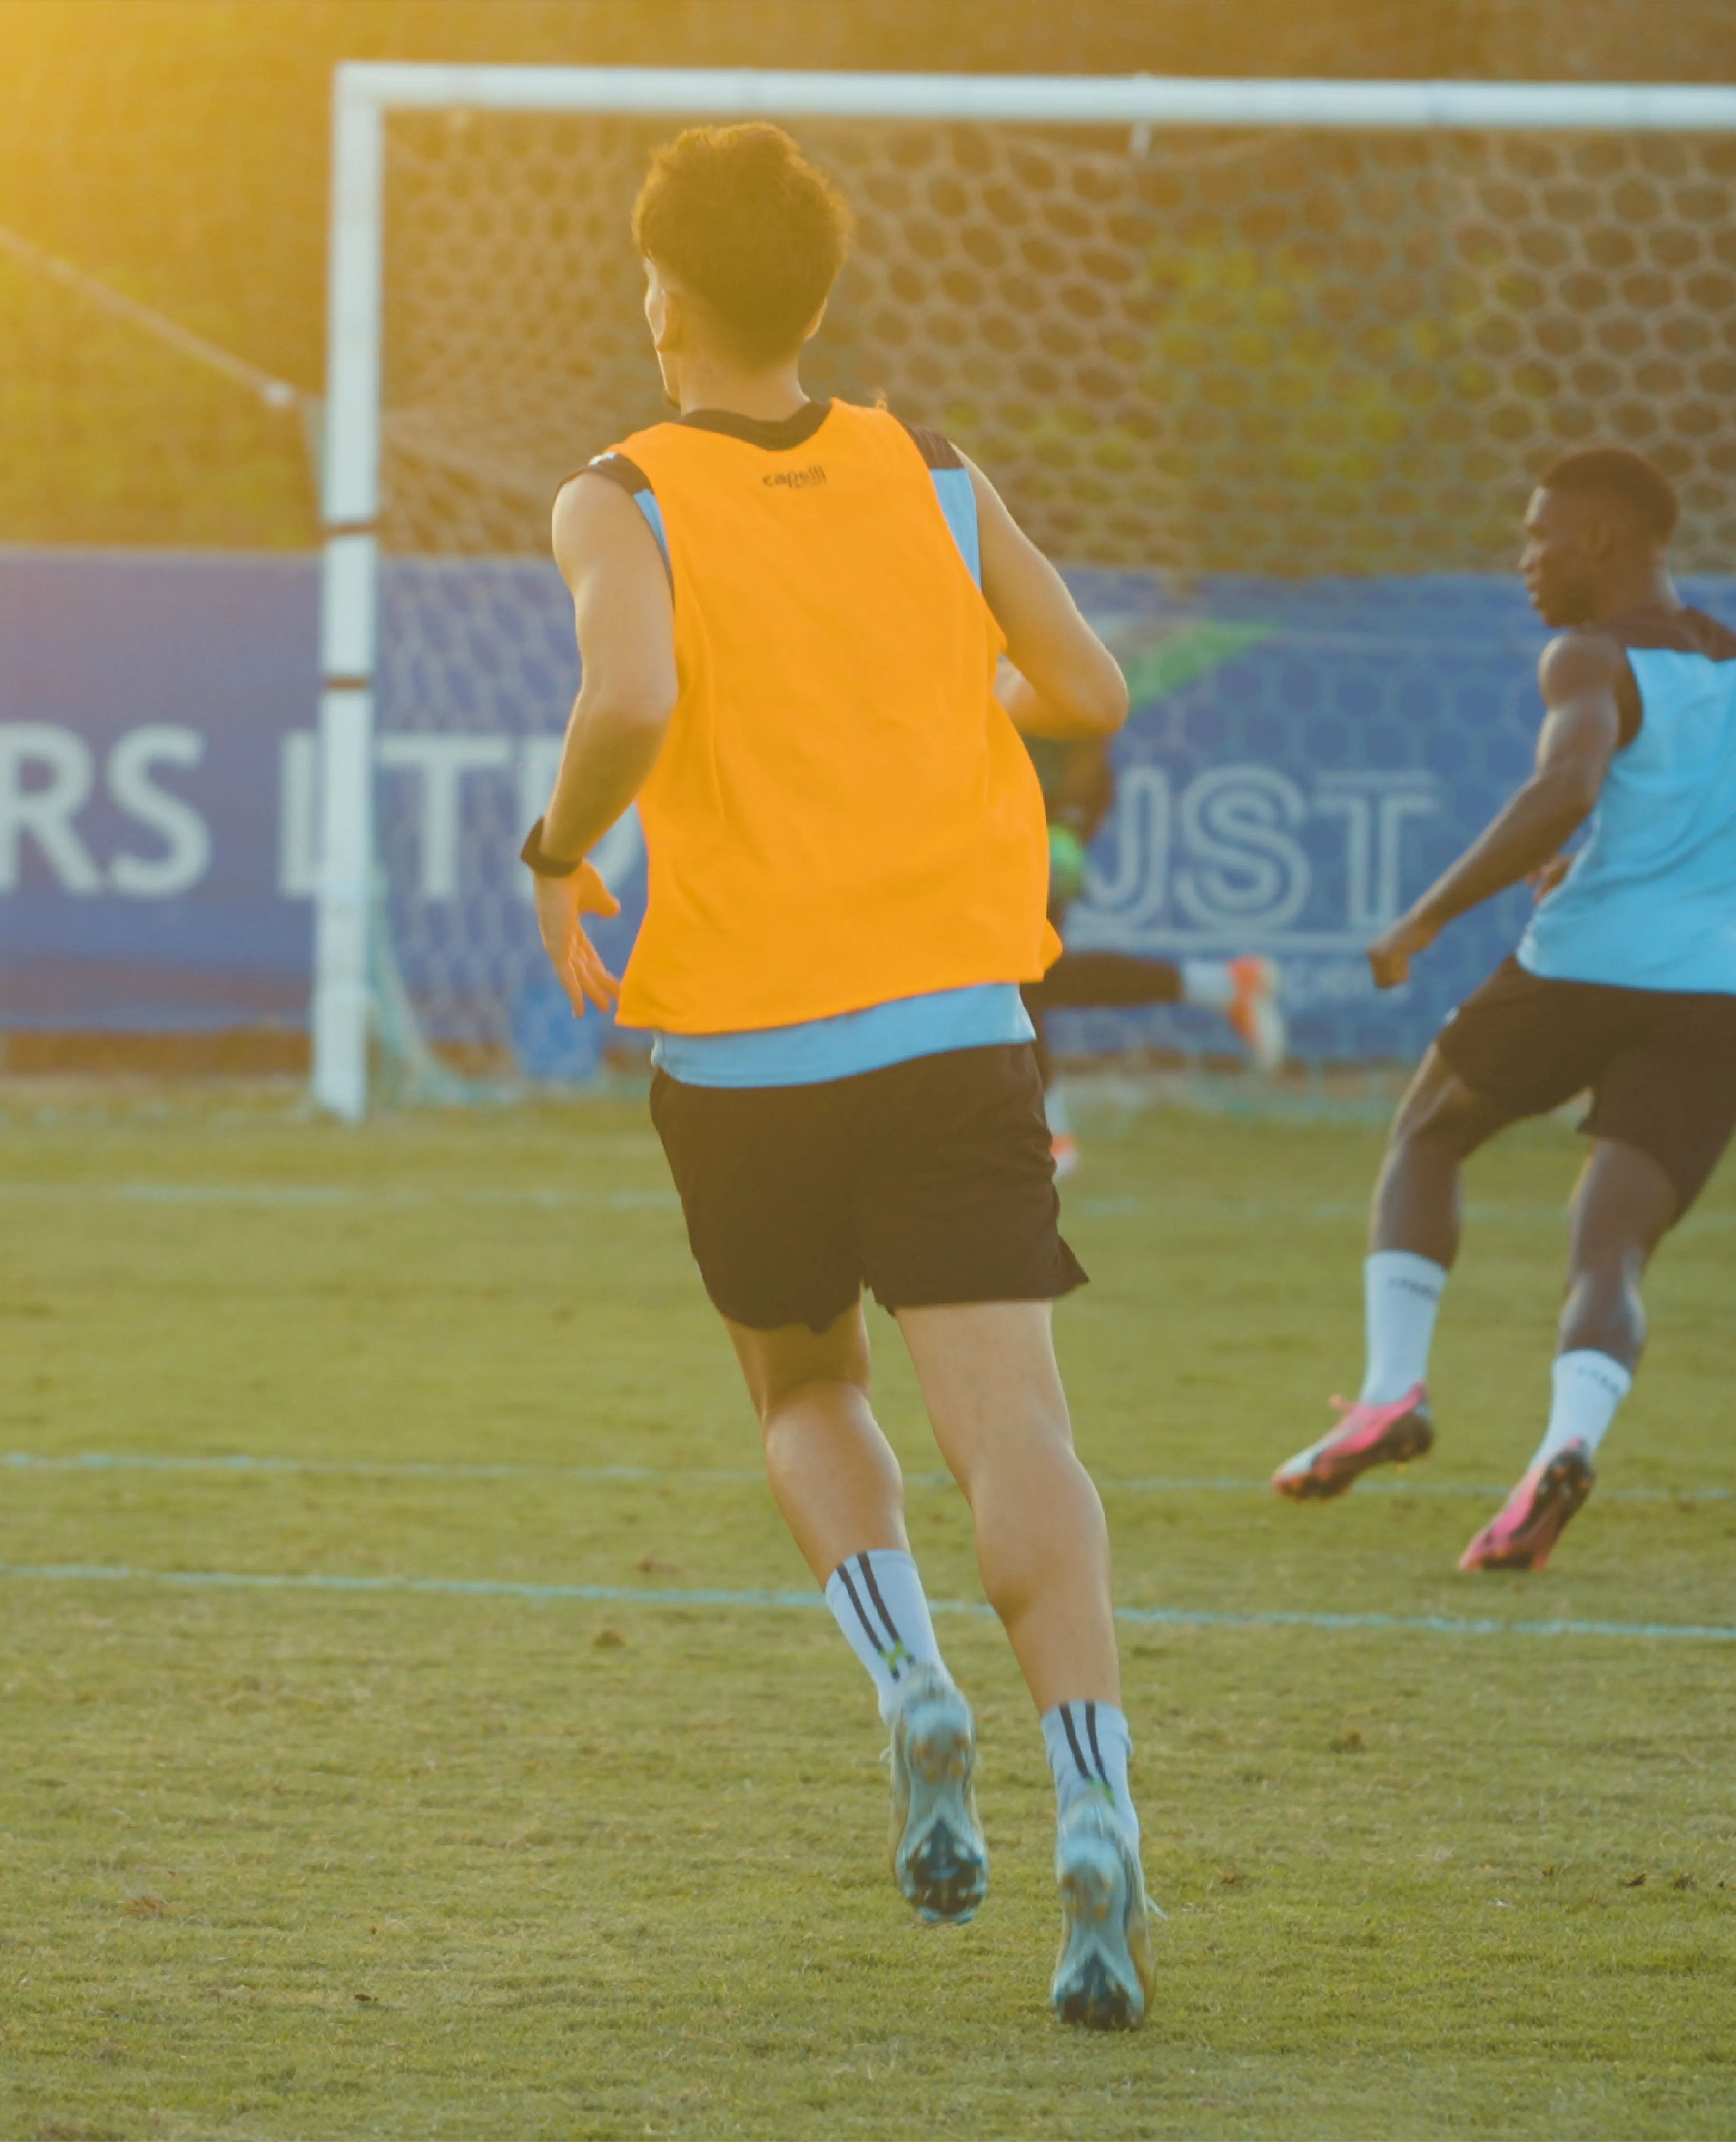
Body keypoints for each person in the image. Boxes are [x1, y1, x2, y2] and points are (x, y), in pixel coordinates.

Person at [521, 123, 1154, 2029]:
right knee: (1018, 1438)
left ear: (665, 299)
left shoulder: (616, 494)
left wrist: (560, 858)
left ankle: (907, 1688)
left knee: (804, 1385)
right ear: (815, 301)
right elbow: (1094, 696)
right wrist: (948, 703)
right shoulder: (933, 468)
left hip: (745, 1047)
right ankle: (1099, 1816)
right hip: (958, 1028)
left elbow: (628, 700)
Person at [1271, 447, 1736, 1568]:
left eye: (1539, 538)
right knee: (1612, 1244)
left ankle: (1393, 1395)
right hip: (1724, 999)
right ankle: (1563, 1448)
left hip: (1588, 966)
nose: (1524, 561)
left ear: (1601, 543)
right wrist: (1688, 882)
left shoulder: (1588, 656)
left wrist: (1423, 919)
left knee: (1431, 1129)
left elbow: (1563, 788)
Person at [1023, 733, 1285, 1176]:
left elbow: (1091, 708)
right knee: (1030, 972)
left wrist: (1070, 809)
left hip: (1041, 800)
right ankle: (1224, 985)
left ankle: (1052, 1138)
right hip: (1006, 790)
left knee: (1016, 973)